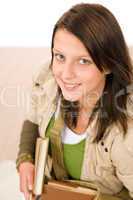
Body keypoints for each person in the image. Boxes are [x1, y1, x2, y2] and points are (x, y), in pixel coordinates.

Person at [16, 3, 133, 200]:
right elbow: (33, 118)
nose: (65, 74)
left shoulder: (125, 135)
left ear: (107, 65)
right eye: (60, 56)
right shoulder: (47, 77)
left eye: (83, 61)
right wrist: (25, 158)